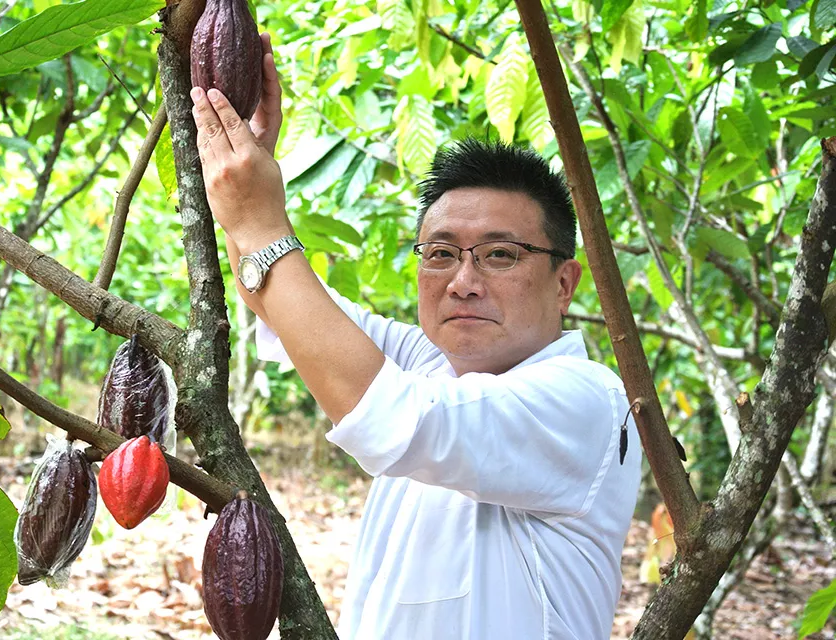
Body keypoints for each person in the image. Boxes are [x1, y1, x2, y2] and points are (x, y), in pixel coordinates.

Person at [191, 33, 641, 640]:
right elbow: (276, 298)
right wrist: (243, 175)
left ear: (564, 284)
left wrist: (259, 218)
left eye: (501, 255)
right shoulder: (429, 364)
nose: (464, 282)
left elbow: (390, 416)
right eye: (440, 254)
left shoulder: (586, 399)